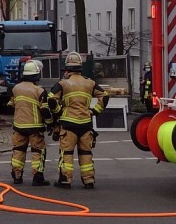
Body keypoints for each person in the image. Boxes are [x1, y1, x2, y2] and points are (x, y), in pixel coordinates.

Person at [46, 51, 107, 189]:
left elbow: (50, 99)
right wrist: (94, 111)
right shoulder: (90, 83)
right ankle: (88, 180)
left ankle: (65, 180)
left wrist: (59, 112)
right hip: (85, 123)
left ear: (67, 69)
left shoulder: (63, 84)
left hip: (68, 124)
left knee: (67, 153)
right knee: (85, 152)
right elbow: (105, 96)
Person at [7, 58, 49, 186]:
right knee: (38, 151)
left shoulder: (16, 88)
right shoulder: (40, 91)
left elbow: (11, 104)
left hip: (19, 125)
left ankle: (17, 176)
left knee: (19, 150)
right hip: (35, 127)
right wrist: (51, 123)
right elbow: (45, 110)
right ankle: (37, 177)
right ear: (37, 75)